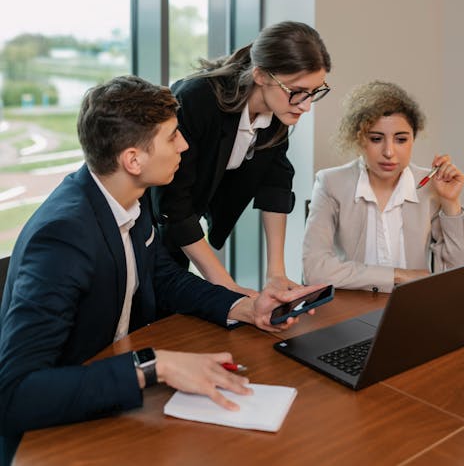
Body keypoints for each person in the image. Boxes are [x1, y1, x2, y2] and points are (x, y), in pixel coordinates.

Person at [0, 76, 322, 465]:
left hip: (116, 396)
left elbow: (161, 275)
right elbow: (16, 394)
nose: (185, 145)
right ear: (133, 159)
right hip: (58, 436)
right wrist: (156, 365)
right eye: (172, 137)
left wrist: (244, 305)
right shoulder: (62, 237)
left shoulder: (129, 201)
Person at [151, 21, 332, 296]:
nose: (306, 105)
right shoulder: (198, 100)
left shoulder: (277, 111)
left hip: (182, 224)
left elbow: (276, 186)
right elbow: (173, 205)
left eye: (314, 92)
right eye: (297, 91)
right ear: (260, 75)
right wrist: (227, 287)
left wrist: (276, 274)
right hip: (145, 226)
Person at [302, 80, 464, 292]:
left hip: (414, 306)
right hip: (351, 306)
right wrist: (399, 275)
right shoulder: (330, 183)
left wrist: (451, 203)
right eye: (377, 139)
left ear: (413, 139)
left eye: (401, 139)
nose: (389, 152)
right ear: (359, 139)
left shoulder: (431, 186)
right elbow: (313, 271)